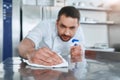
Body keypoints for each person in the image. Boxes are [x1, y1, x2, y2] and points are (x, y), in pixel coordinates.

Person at [18, 6, 86, 66]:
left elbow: (80, 54)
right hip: (41, 69)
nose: (67, 33)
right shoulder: (45, 25)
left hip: (64, 70)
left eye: (72, 28)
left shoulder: (79, 31)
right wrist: (31, 53)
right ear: (57, 23)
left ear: (77, 26)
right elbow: (24, 45)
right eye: (63, 26)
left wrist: (78, 55)